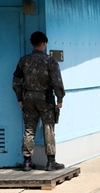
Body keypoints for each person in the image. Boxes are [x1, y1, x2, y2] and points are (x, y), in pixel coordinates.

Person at [12, 31, 65, 172]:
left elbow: (16, 81)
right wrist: (59, 99)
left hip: (28, 98)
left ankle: (27, 162)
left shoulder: (23, 61)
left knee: (29, 128)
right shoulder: (50, 61)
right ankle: (50, 162)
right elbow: (57, 82)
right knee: (48, 127)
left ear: (32, 44)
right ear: (44, 43)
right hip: (45, 99)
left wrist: (20, 98)